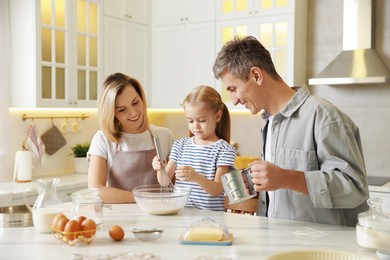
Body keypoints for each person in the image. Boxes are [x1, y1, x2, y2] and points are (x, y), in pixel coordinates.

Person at [212, 36, 369, 226]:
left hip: (318, 250)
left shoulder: (324, 117)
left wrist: (286, 178)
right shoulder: (269, 122)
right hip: (276, 243)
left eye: (233, 89)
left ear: (256, 75)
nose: (234, 100)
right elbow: (280, 191)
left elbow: (354, 189)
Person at [88, 73, 174, 203]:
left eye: (135, 102)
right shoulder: (102, 140)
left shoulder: (164, 136)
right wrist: (143, 199)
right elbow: (96, 191)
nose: (133, 113)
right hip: (122, 217)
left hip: (161, 214)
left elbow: (176, 187)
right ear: (111, 113)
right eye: (122, 110)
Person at [152, 85, 236, 211]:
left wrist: (196, 177)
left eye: (201, 120)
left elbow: (217, 190)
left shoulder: (224, 150)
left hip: (211, 218)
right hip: (181, 214)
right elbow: (164, 182)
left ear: (217, 116)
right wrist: (159, 169)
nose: (195, 126)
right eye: (190, 121)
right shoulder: (180, 146)